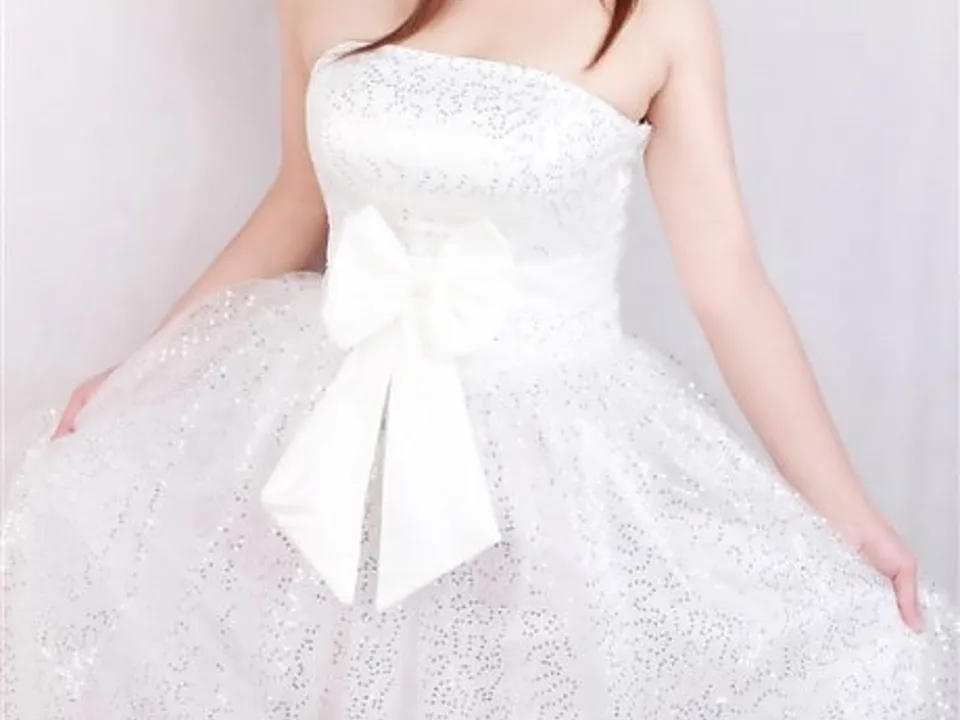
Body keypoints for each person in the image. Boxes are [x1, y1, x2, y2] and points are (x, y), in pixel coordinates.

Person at [4, 0, 958, 716]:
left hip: (551, 453)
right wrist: (148, 369)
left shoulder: (655, 17)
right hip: (327, 421)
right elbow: (298, 203)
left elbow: (728, 282)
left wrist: (851, 515)